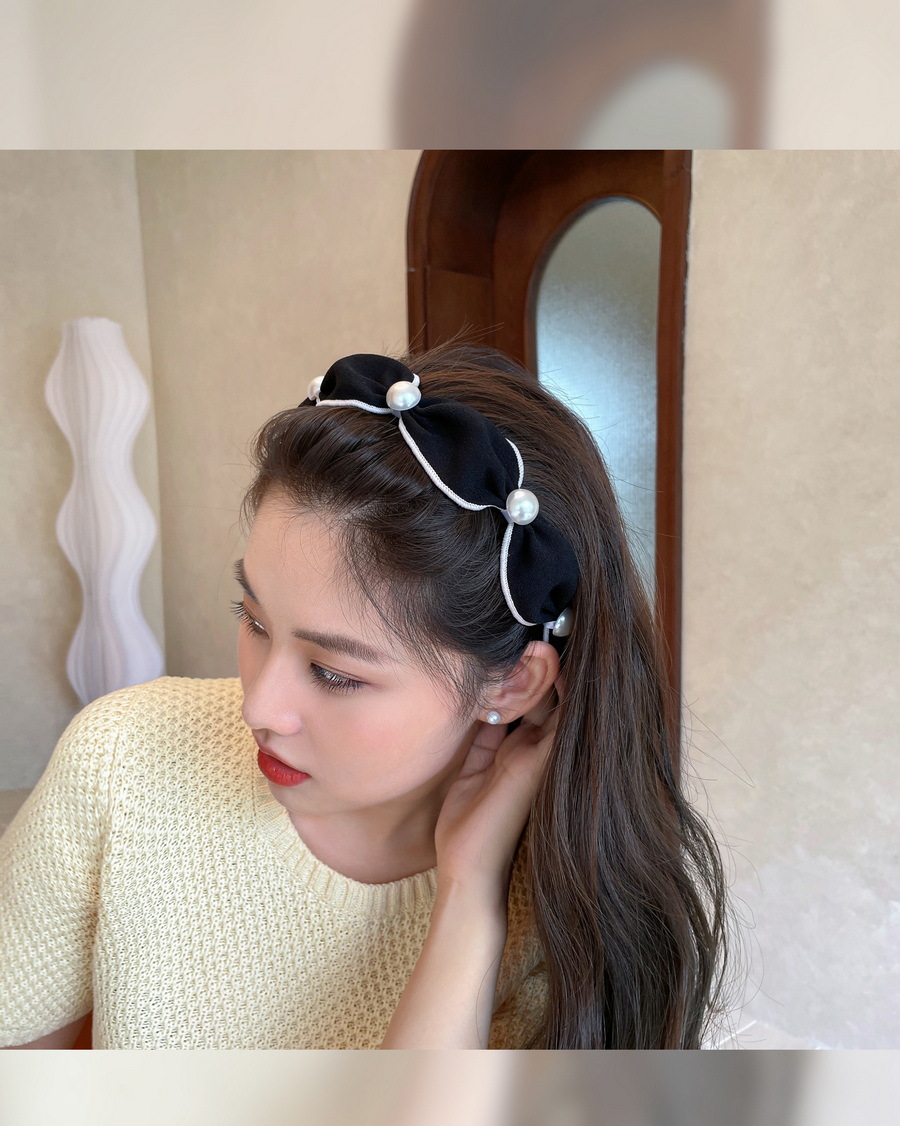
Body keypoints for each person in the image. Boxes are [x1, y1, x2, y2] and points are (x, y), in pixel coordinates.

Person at [0, 343, 731, 1049]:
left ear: (513, 683)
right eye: (253, 621)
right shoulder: (124, 759)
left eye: (335, 673)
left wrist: (467, 901)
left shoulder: (572, 930)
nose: (259, 709)